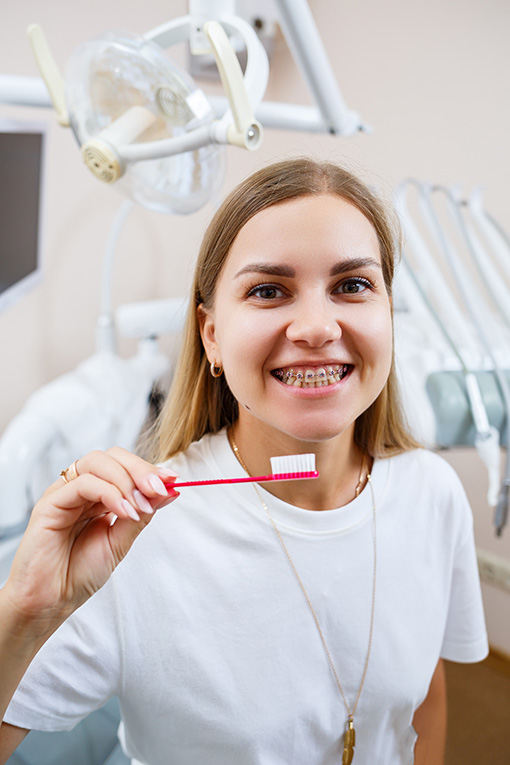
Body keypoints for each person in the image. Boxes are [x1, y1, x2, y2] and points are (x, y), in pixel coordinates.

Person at [0, 158, 488, 765]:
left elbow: (421, 704)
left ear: (388, 311)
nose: (315, 326)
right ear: (210, 336)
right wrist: (24, 608)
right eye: (267, 290)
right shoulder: (136, 537)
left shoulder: (433, 494)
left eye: (353, 285)